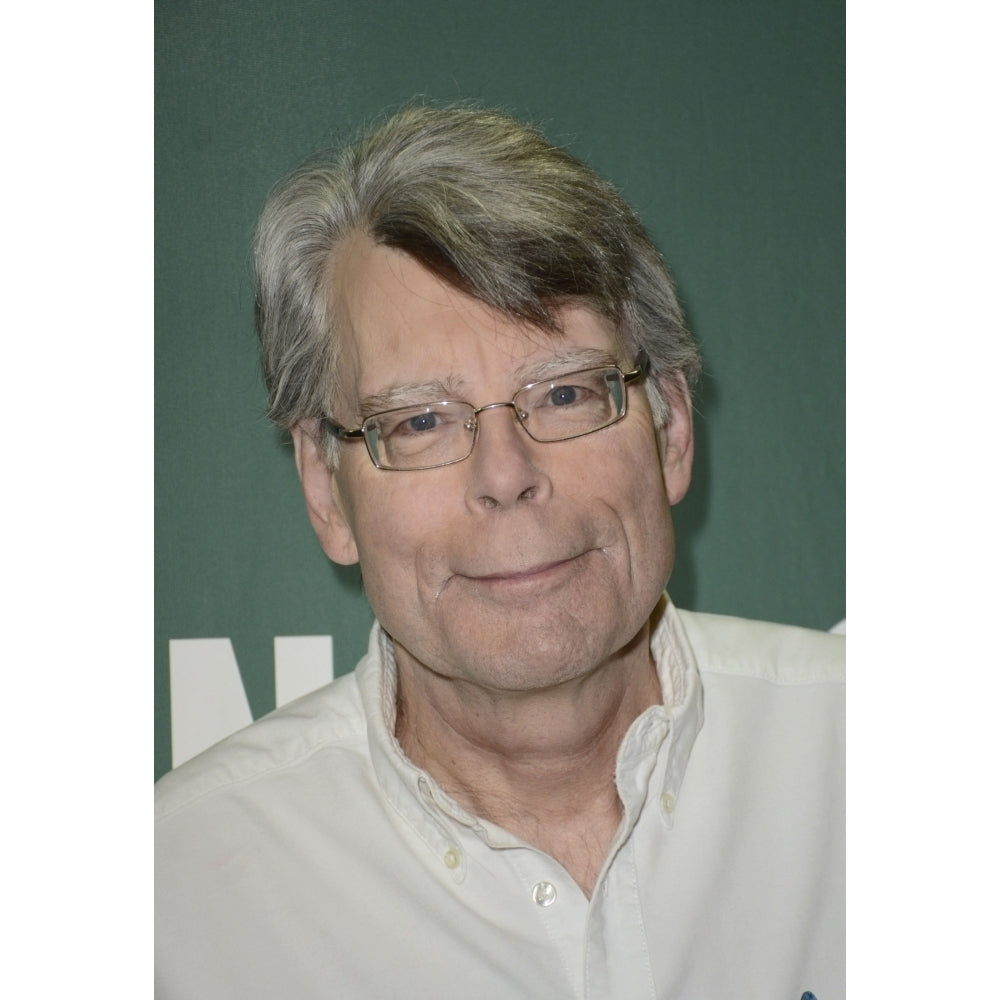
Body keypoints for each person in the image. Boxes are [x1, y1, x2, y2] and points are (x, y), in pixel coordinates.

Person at [155, 105, 844, 999]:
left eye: (563, 394)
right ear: (327, 491)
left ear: (670, 427)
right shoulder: (167, 906)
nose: (507, 475)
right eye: (421, 421)